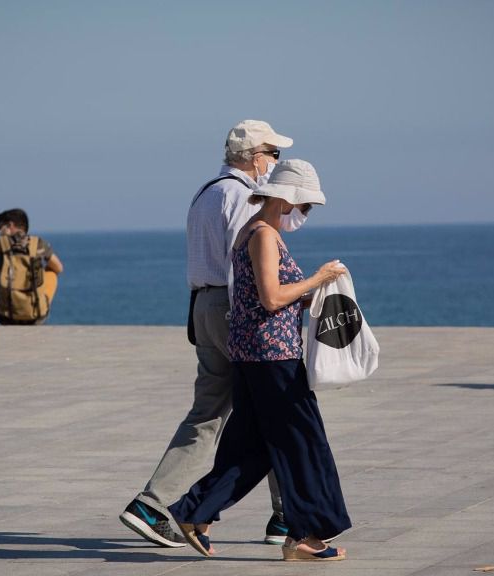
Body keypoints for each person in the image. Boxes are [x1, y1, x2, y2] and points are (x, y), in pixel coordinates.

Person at [119, 120, 295, 548]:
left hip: (204, 306)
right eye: (272, 155)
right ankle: (285, 517)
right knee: (273, 407)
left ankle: (153, 502)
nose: (275, 163)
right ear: (254, 158)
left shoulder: (207, 192)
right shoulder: (239, 196)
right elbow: (248, 260)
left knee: (213, 413)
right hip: (232, 309)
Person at [169, 159, 352, 562]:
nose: (305, 213)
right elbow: (270, 298)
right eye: (305, 205)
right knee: (304, 442)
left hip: (255, 352)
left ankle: (192, 512)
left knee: (252, 446)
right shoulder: (264, 235)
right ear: (287, 198)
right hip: (273, 357)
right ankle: (303, 535)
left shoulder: (253, 231)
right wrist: (317, 280)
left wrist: (309, 294)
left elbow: (260, 297)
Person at [0, 208, 64, 325]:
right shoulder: (38, 244)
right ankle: (39, 305)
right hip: (35, 316)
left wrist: (7, 271)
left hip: (3, 316)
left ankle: (6, 304)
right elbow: (59, 268)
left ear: (10, 225)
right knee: (51, 273)